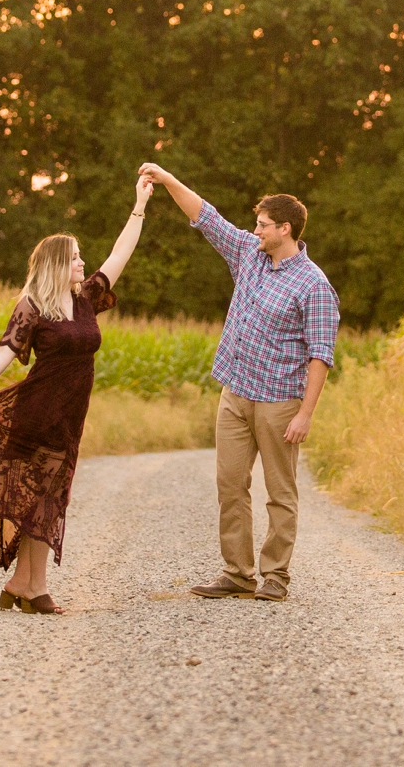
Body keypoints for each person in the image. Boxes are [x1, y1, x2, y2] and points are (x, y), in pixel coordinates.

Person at [0, 173, 155, 614]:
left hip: (69, 416)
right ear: (57, 262)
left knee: (49, 498)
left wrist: (140, 206)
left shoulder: (86, 298)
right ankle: (30, 586)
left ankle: (27, 583)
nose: (83, 263)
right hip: (37, 412)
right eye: (75, 258)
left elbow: (120, 253)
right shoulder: (33, 306)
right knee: (38, 497)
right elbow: (3, 353)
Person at [138, 163, 338, 602]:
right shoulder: (249, 253)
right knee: (230, 484)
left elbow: (321, 355)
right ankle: (237, 572)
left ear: (285, 229)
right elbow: (206, 217)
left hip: (280, 403)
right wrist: (169, 179)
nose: (256, 230)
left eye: (263, 225)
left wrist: (306, 413)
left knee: (280, 492)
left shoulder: (314, 284)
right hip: (235, 393)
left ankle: (276, 576)